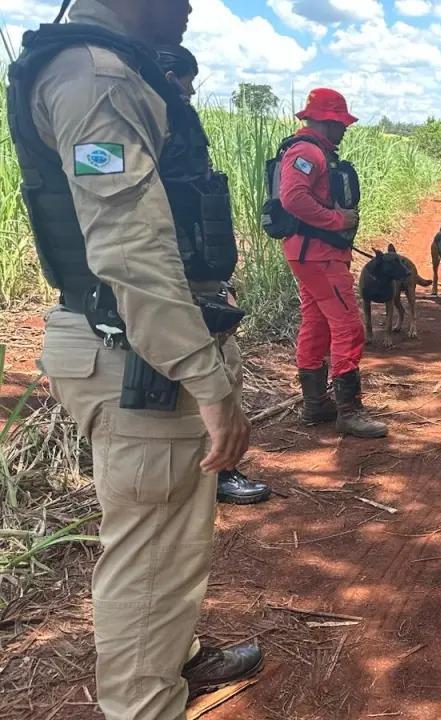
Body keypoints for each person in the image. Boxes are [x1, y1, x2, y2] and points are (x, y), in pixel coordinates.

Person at [7, 0, 264, 717]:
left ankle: (175, 658)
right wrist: (208, 382)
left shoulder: (107, 70)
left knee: (167, 542)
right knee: (152, 556)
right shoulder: (97, 78)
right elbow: (130, 251)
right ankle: (144, 702)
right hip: (139, 357)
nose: (186, 7)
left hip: (135, 348)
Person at [156, 43, 272, 505]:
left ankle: (207, 469)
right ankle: (219, 472)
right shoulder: (160, 122)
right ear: (171, 78)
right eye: (187, 83)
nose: (190, 92)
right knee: (218, 369)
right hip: (181, 276)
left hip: (193, 272)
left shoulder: (163, 123)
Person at [277, 88, 387, 438]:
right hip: (319, 255)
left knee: (317, 323)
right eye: (341, 123)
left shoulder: (309, 151)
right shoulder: (308, 152)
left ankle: (315, 405)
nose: (345, 129)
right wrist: (336, 220)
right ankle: (349, 411)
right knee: (348, 327)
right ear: (326, 122)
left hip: (309, 254)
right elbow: (293, 197)